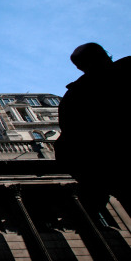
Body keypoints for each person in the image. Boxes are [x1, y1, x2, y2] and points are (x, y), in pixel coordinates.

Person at [55, 42, 131, 208]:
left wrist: (94, 185)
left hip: (116, 170)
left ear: (79, 67)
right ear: (105, 54)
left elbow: (68, 144)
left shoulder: (73, 97)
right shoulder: (127, 68)